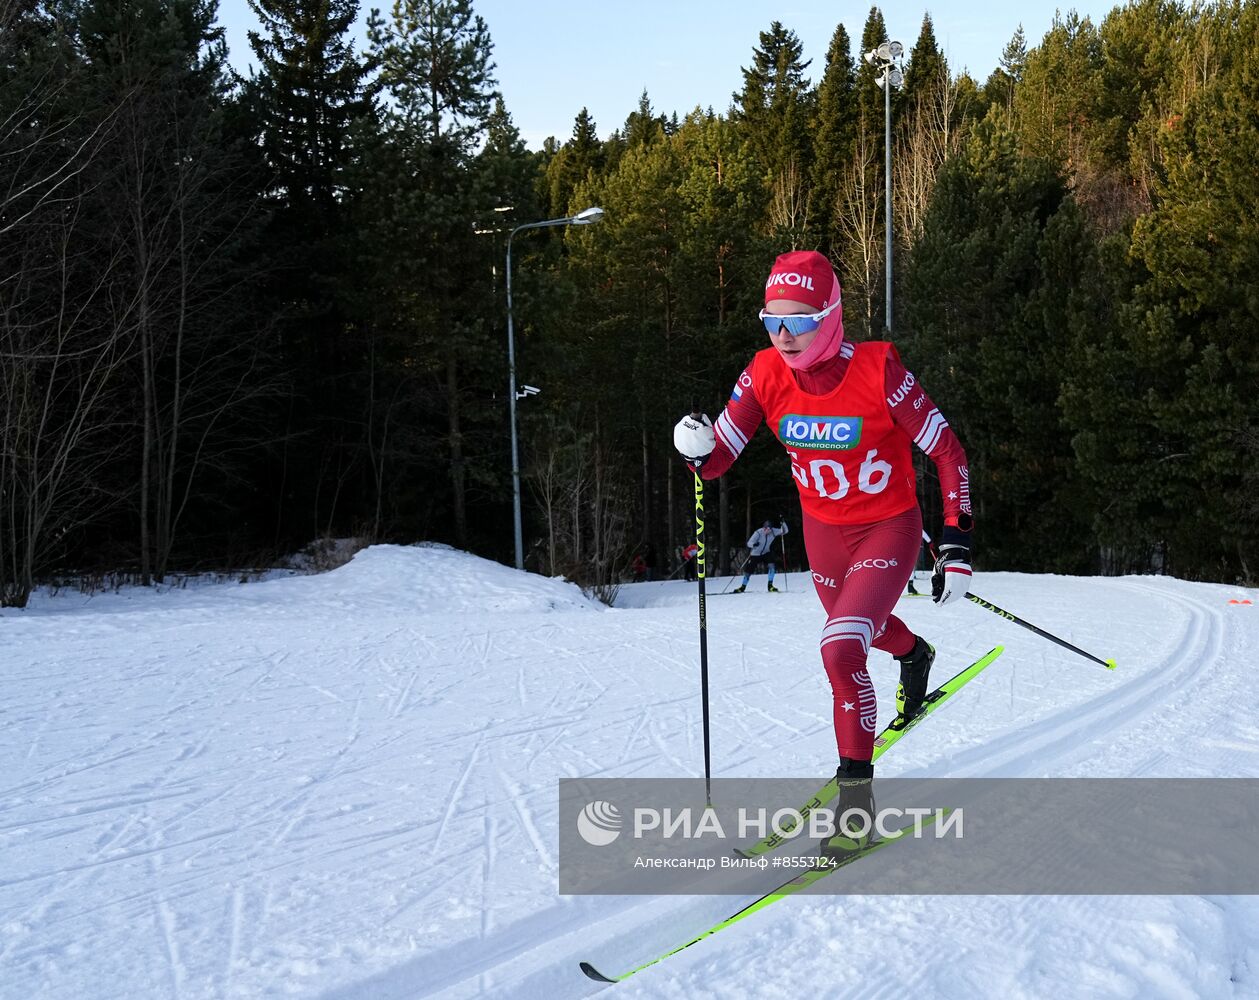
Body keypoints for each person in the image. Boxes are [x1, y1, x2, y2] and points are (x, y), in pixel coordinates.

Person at [671, 250, 973, 856]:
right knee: (863, 628)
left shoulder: (878, 369)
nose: (784, 334)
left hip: (887, 526)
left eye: (800, 320)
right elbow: (720, 457)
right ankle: (913, 654)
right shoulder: (763, 373)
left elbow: (947, 452)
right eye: (772, 320)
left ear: (832, 315)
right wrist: (696, 448)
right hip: (824, 534)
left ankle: (855, 812)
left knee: (840, 648)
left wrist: (955, 541)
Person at [732, 519, 789, 592]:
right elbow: (749, 543)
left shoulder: (773, 531)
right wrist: (754, 544)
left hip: (766, 552)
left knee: (772, 566)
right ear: (763, 528)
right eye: (766, 529)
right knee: (748, 570)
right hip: (755, 554)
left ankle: (770, 586)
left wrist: (783, 523)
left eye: (769, 529)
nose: (768, 531)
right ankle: (742, 587)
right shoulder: (758, 533)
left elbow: (785, 531)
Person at [906, 528, 932, 596]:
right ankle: (910, 586)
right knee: (912, 567)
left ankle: (910, 586)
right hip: (913, 547)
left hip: (907, 547)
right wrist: (929, 541)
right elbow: (921, 531)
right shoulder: (914, 525)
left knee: (911, 567)